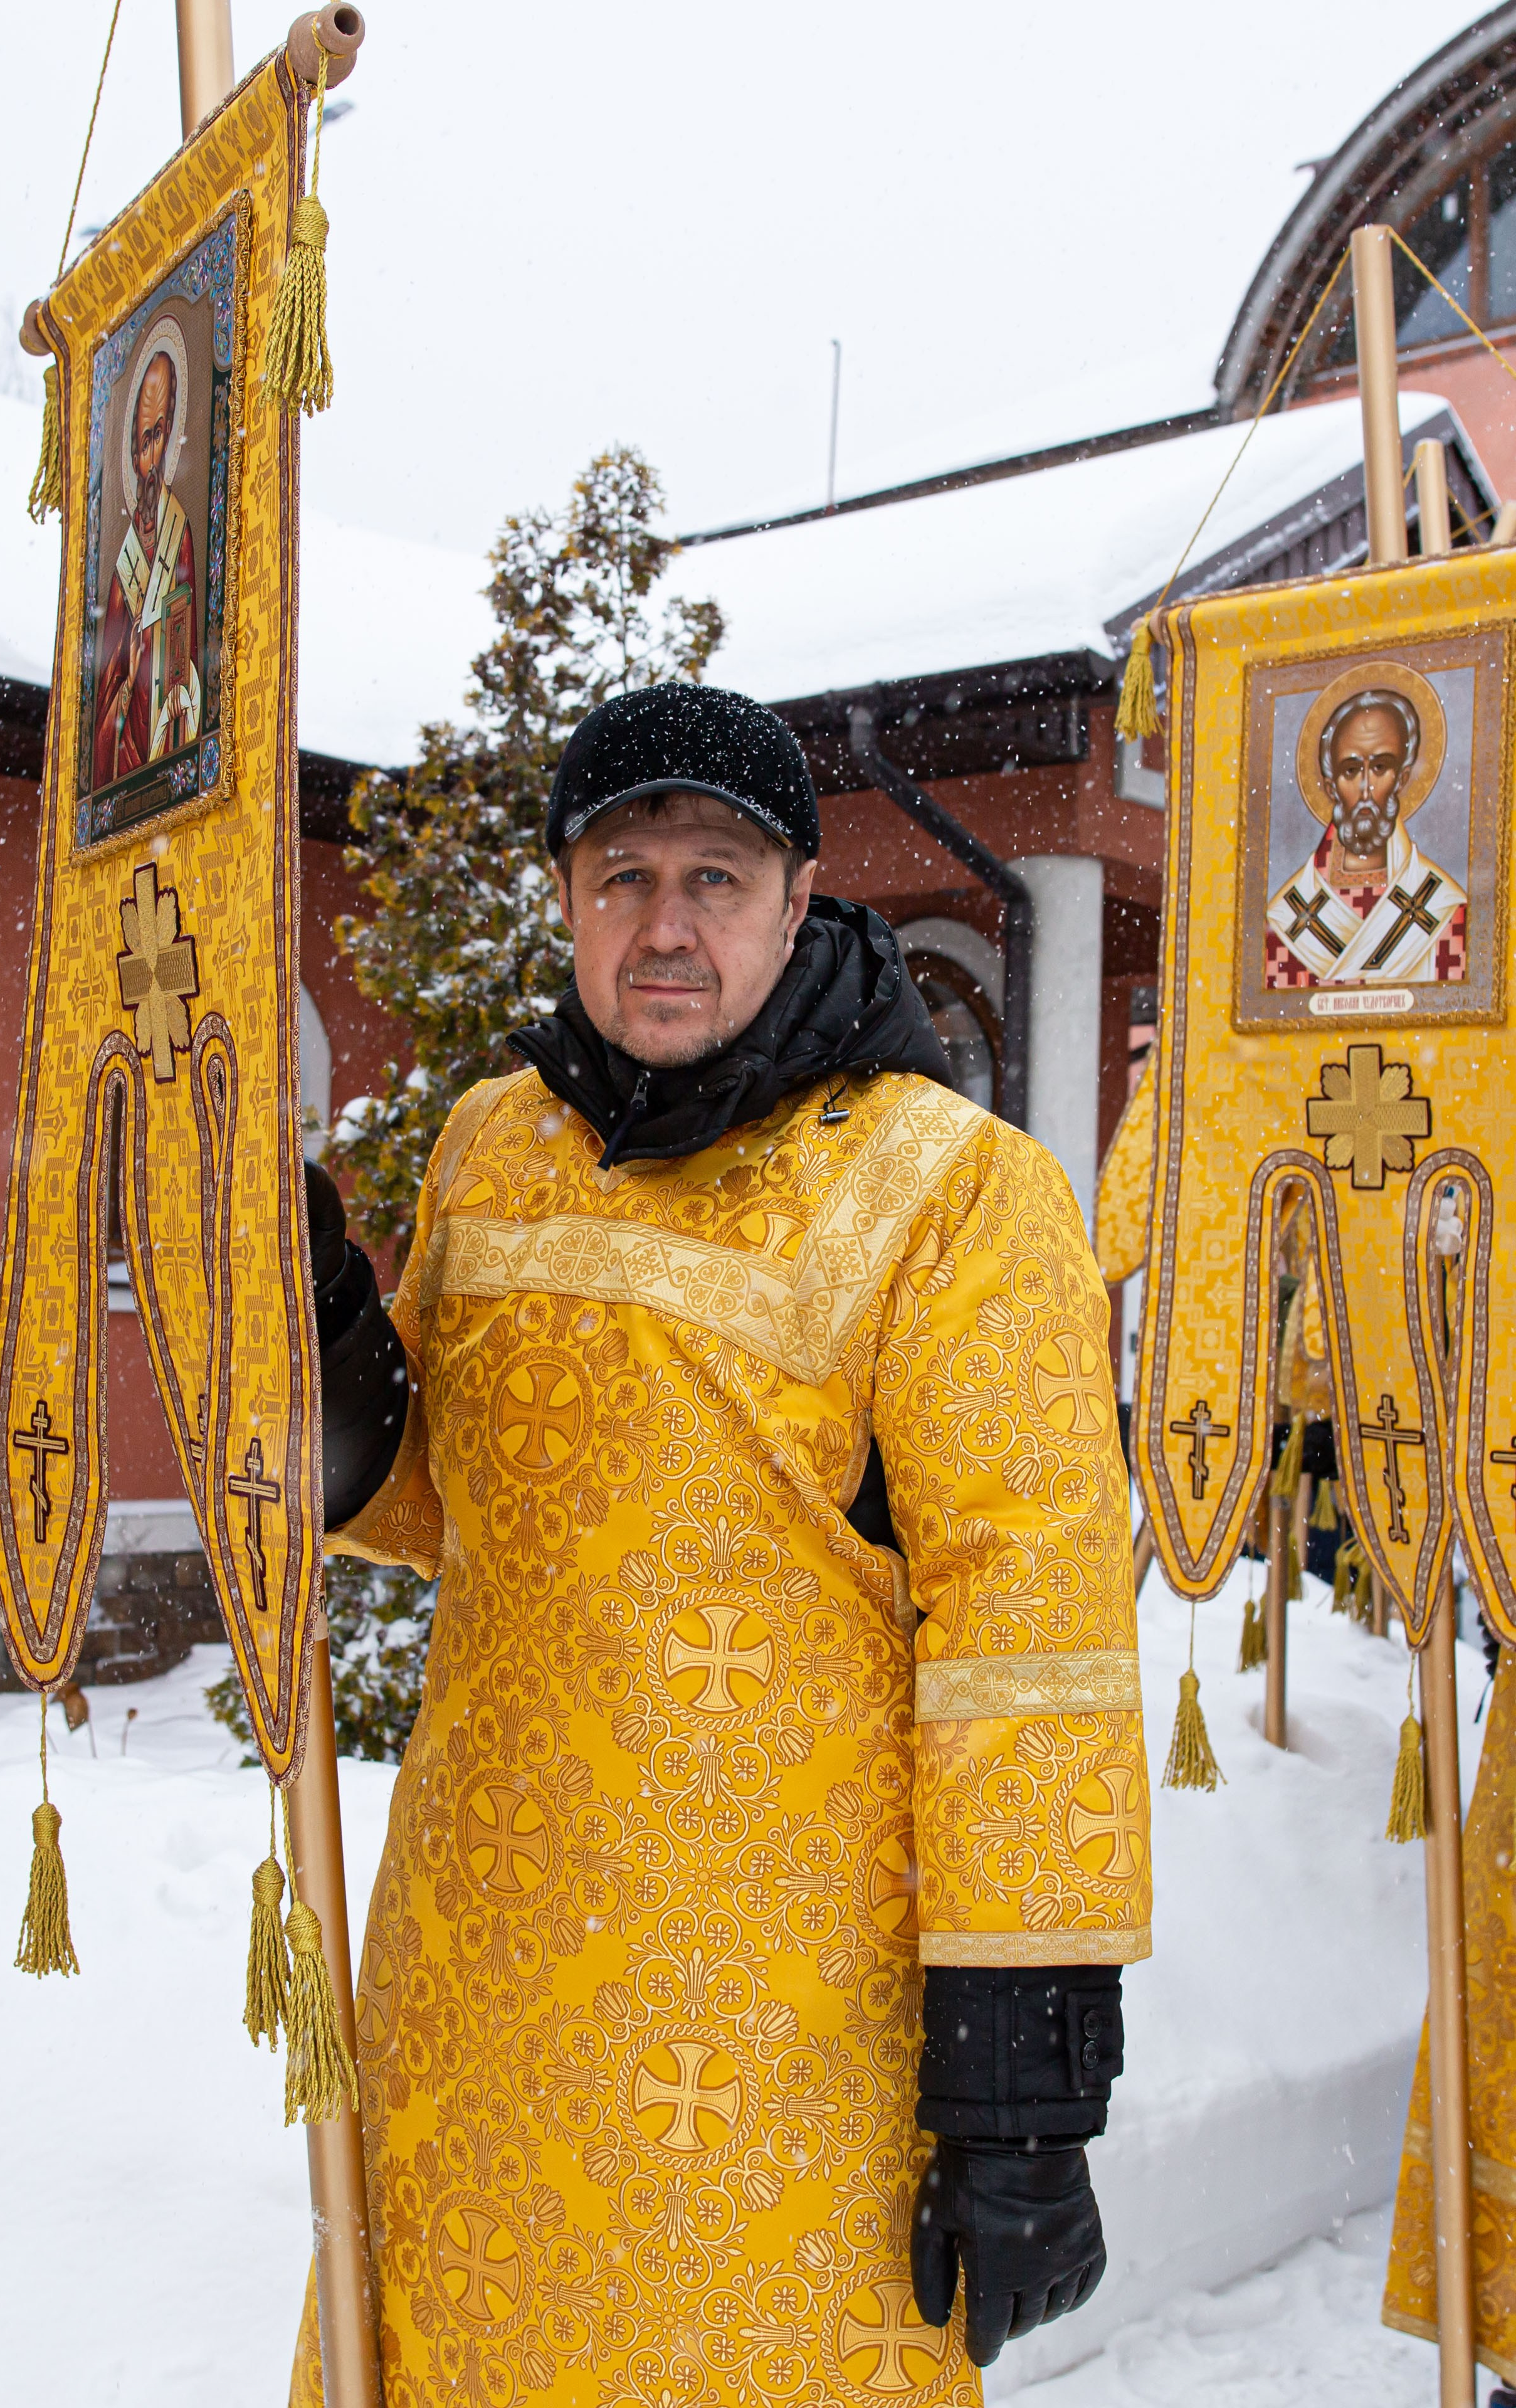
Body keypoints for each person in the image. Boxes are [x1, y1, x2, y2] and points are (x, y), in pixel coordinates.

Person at [292, 682, 1150, 2407]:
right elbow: (455, 1506)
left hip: (778, 2031)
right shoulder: (492, 1145)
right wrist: (315, 1321)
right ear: (561, 898)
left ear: (796, 895)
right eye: (622, 878)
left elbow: (1031, 1646)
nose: (665, 926)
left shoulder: (951, 1192)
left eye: (714, 878)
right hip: (480, 1985)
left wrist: (1022, 2092)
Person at [1265, 687, 1465, 988]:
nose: (1366, 789)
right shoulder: (1288, 916)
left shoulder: (1441, 907)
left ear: (1403, 778)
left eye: (1381, 768)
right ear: (1331, 788)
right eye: (1351, 770)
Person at [92, 343, 201, 790]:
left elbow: (195, 663)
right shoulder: (126, 567)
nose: (152, 461)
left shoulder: (182, 539)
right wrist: (128, 688)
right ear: (133, 457)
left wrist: (173, 684)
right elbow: (102, 707)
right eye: (144, 441)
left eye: (161, 434)